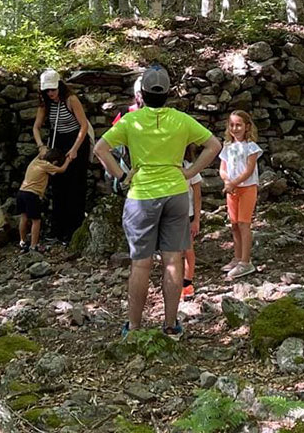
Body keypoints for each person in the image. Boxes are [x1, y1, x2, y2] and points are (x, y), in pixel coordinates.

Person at [94, 65, 221, 338]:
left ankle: (134, 328)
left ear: (142, 93)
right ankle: (171, 325)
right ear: (168, 93)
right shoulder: (181, 120)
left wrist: (121, 176)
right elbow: (214, 145)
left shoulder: (131, 121)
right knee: (173, 261)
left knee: (141, 264)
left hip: (141, 197)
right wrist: (190, 172)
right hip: (176, 194)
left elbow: (100, 149)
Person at [32, 69, 91, 245]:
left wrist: (74, 149)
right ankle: (58, 229)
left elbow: (83, 126)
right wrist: (41, 146)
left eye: (53, 89)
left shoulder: (71, 100)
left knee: (75, 185)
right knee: (58, 185)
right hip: (58, 142)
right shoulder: (46, 103)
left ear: (59, 86)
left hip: (76, 140)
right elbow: (36, 127)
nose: (50, 93)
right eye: (47, 90)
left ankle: (73, 230)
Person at [219, 110, 263, 279]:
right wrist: (227, 182)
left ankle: (246, 261)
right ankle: (237, 258)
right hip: (232, 190)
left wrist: (234, 183)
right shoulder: (227, 146)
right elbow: (223, 169)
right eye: (232, 125)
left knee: (244, 224)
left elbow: (248, 170)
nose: (235, 128)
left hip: (247, 188)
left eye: (238, 125)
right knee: (234, 224)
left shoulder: (251, 147)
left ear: (247, 127)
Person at [16, 147, 72, 252]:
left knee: (23, 218)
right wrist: (68, 160)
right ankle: (33, 245)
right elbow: (62, 170)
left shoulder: (35, 161)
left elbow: (41, 151)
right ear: (54, 162)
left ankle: (22, 241)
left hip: (21, 192)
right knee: (36, 221)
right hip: (32, 195)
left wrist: (43, 147)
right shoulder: (47, 165)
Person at [182, 145, 202, 299]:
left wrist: (196, 220)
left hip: (186, 216)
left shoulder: (190, 168)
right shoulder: (165, 168)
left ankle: (187, 284)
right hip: (169, 217)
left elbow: (197, 196)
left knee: (188, 250)